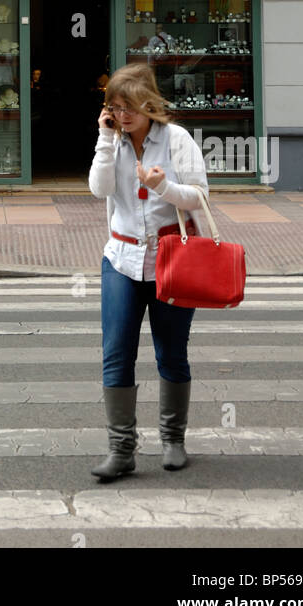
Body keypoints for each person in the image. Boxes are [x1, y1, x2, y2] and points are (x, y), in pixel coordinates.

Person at [88, 61, 209, 481]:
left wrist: (164, 187)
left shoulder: (175, 140)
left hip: (170, 261)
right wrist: (106, 138)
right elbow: (99, 189)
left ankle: (173, 439)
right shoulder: (114, 142)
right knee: (116, 353)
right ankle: (121, 450)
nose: (123, 115)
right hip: (121, 260)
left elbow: (199, 196)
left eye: (130, 107)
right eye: (115, 107)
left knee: (171, 353)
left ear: (149, 104)